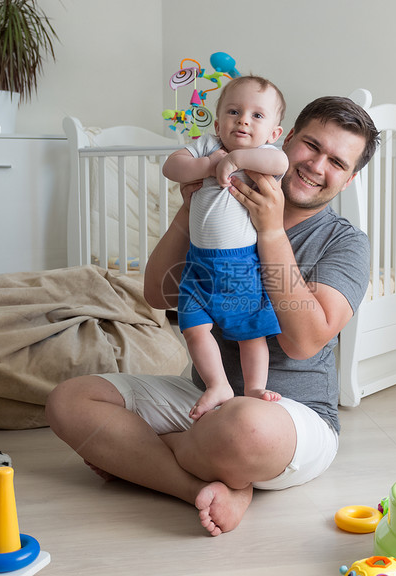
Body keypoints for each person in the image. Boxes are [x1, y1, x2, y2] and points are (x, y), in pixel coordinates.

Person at [46, 95, 379, 537]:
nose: (317, 165)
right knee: (69, 401)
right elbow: (159, 293)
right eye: (311, 146)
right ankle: (209, 486)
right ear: (288, 139)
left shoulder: (346, 243)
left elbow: (303, 341)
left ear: (350, 178)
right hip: (204, 399)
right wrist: (191, 206)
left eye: (336, 162)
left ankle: (142, 456)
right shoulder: (221, 199)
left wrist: (272, 231)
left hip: (285, 418)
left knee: (245, 428)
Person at [162, 75, 289, 420]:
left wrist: (237, 162)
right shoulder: (207, 146)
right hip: (198, 265)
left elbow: (281, 165)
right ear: (218, 123)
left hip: (240, 266)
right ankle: (218, 383)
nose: (244, 120)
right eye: (234, 111)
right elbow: (171, 166)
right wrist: (209, 164)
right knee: (192, 327)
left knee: (251, 333)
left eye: (257, 116)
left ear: (274, 134)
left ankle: (254, 388)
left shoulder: (264, 155)